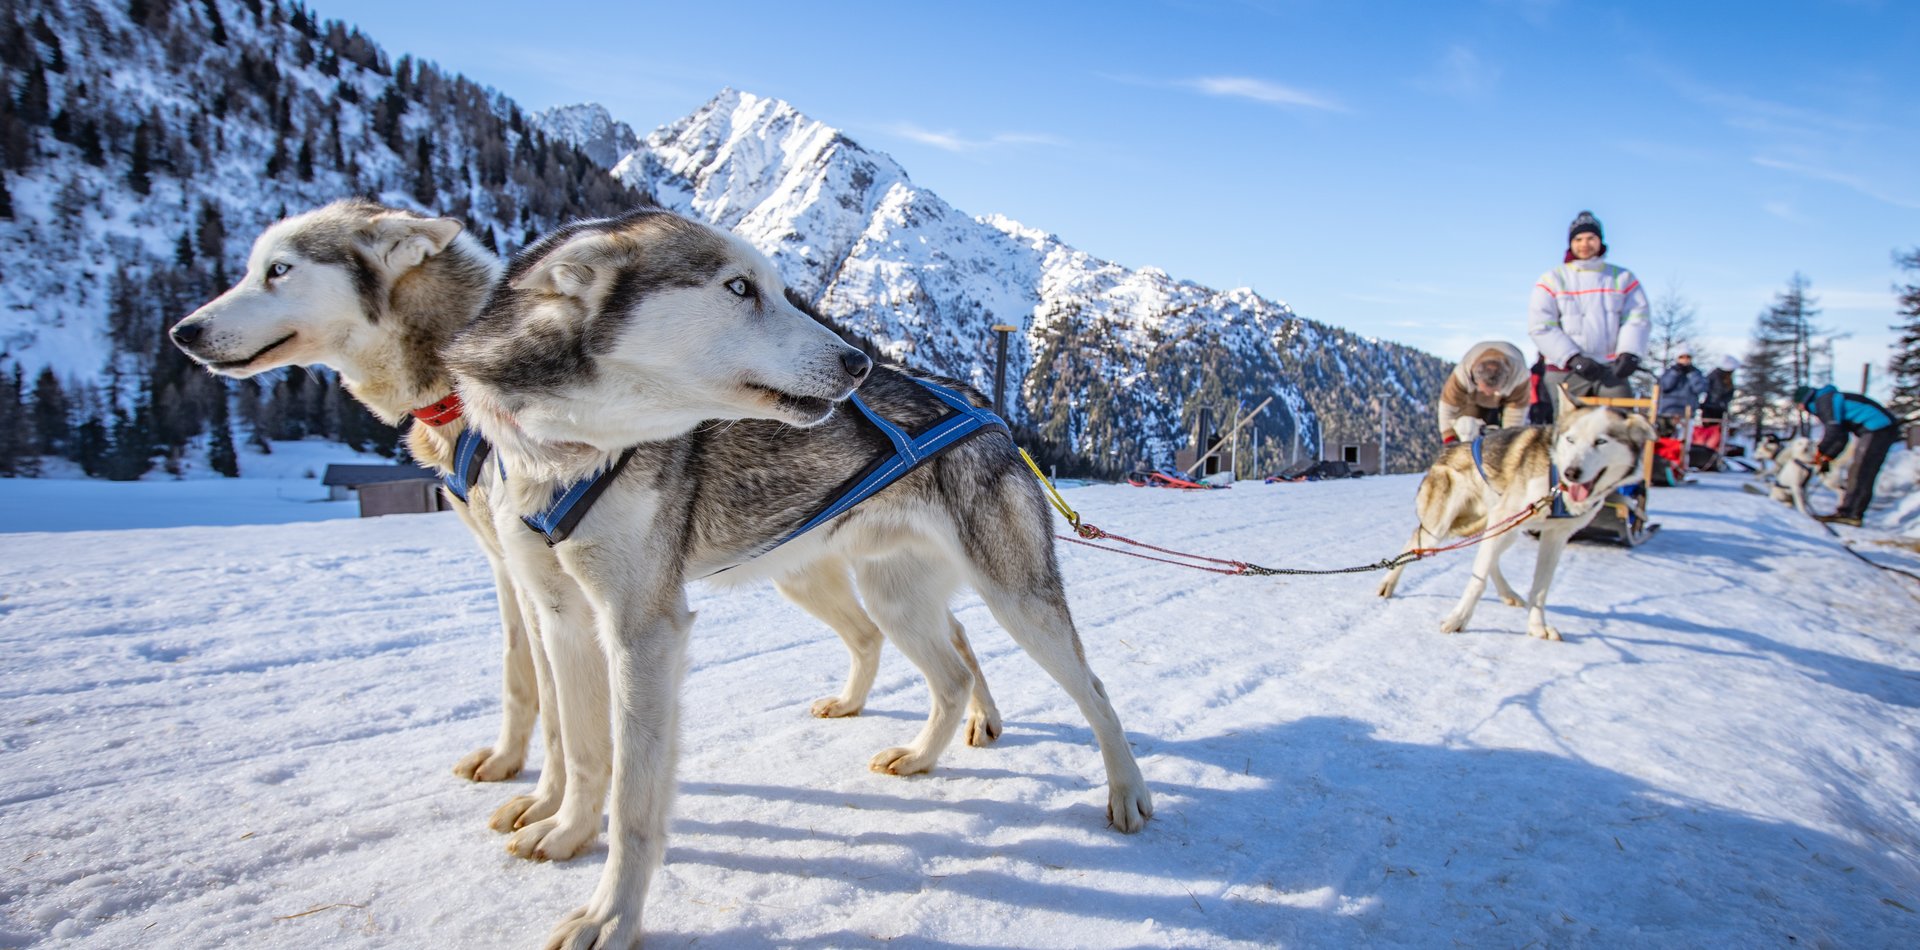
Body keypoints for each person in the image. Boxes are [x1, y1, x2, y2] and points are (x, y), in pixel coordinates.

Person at [1528, 210, 1651, 408]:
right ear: (1571, 243)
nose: (1584, 244)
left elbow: (1637, 319)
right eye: (1578, 239)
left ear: (1600, 241)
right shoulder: (1553, 279)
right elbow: (1541, 325)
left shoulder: (1622, 278)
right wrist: (1572, 357)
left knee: (1620, 422)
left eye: (1590, 238)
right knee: (1568, 428)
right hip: (1566, 369)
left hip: (1611, 368)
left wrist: (1629, 353)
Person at [1794, 383, 1899, 527]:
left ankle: (1851, 514)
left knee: (1862, 470)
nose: (1800, 409)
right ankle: (1848, 512)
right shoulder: (1825, 399)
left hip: (1878, 428)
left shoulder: (1824, 401)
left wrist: (1821, 451)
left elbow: (1833, 432)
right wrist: (1828, 456)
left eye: (1798, 405)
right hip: (1875, 429)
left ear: (1803, 401)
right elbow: (1842, 437)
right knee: (1857, 470)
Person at [1438, 341, 1529, 442]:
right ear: (1476, 380)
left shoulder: (1520, 378)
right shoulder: (1462, 375)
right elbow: (1447, 407)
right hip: (1472, 401)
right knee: (1469, 429)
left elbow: (1515, 415)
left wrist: (1509, 441)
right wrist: (1449, 439)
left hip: (1504, 403)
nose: (1488, 394)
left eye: (1494, 391)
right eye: (1484, 390)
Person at [1656, 343, 1709, 429]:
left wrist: (1692, 374)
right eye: (1682, 357)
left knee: (1684, 439)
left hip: (1687, 413)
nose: (1685, 360)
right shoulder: (1669, 372)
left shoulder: (1696, 373)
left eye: (1688, 357)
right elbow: (1664, 386)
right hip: (1668, 412)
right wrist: (1675, 373)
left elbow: (1700, 389)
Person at [1701, 355, 1738, 423]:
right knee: (1708, 430)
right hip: (1709, 408)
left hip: (1721, 409)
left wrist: (1723, 402)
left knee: (1719, 430)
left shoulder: (1729, 379)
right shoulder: (1714, 375)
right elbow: (1704, 388)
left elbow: (1730, 394)